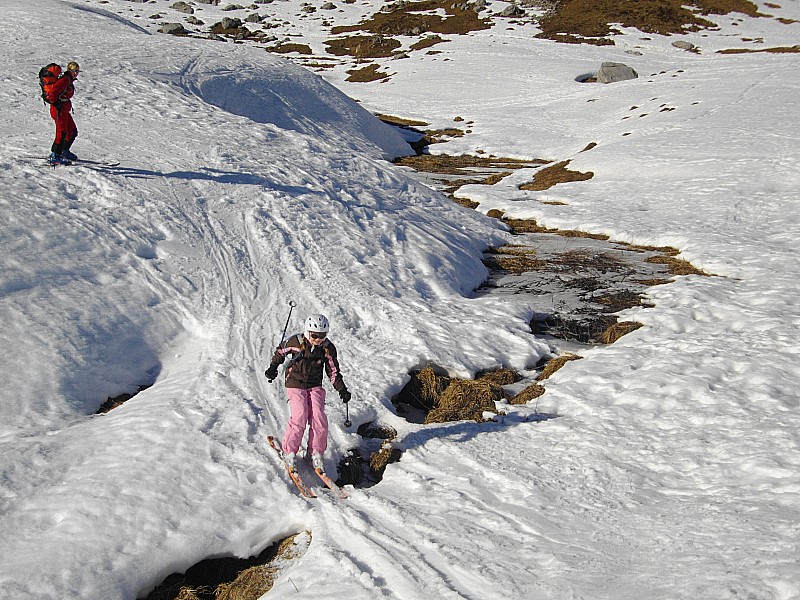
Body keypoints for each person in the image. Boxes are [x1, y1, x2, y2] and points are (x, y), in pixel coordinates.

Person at [264, 314, 351, 469]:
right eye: (315, 336)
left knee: (319, 418)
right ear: (307, 332)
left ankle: (315, 453)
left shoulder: (327, 348)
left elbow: (333, 371)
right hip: (295, 382)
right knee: (300, 416)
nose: (318, 339)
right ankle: (289, 451)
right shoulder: (296, 342)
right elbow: (280, 351)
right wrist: (273, 367)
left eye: (322, 336)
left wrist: (342, 389)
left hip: (314, 384)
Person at [47, 61, 80, 165]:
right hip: (58, 110)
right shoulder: (65, 80)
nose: (76, 73)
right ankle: (55, 155)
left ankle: (63, 151)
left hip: (64, 109)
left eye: (77, 71)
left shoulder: (69, 79)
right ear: (69, 70)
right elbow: (52, 93)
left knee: (72, 131)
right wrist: (56, 103)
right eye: (74, 71)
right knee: (62, 132)